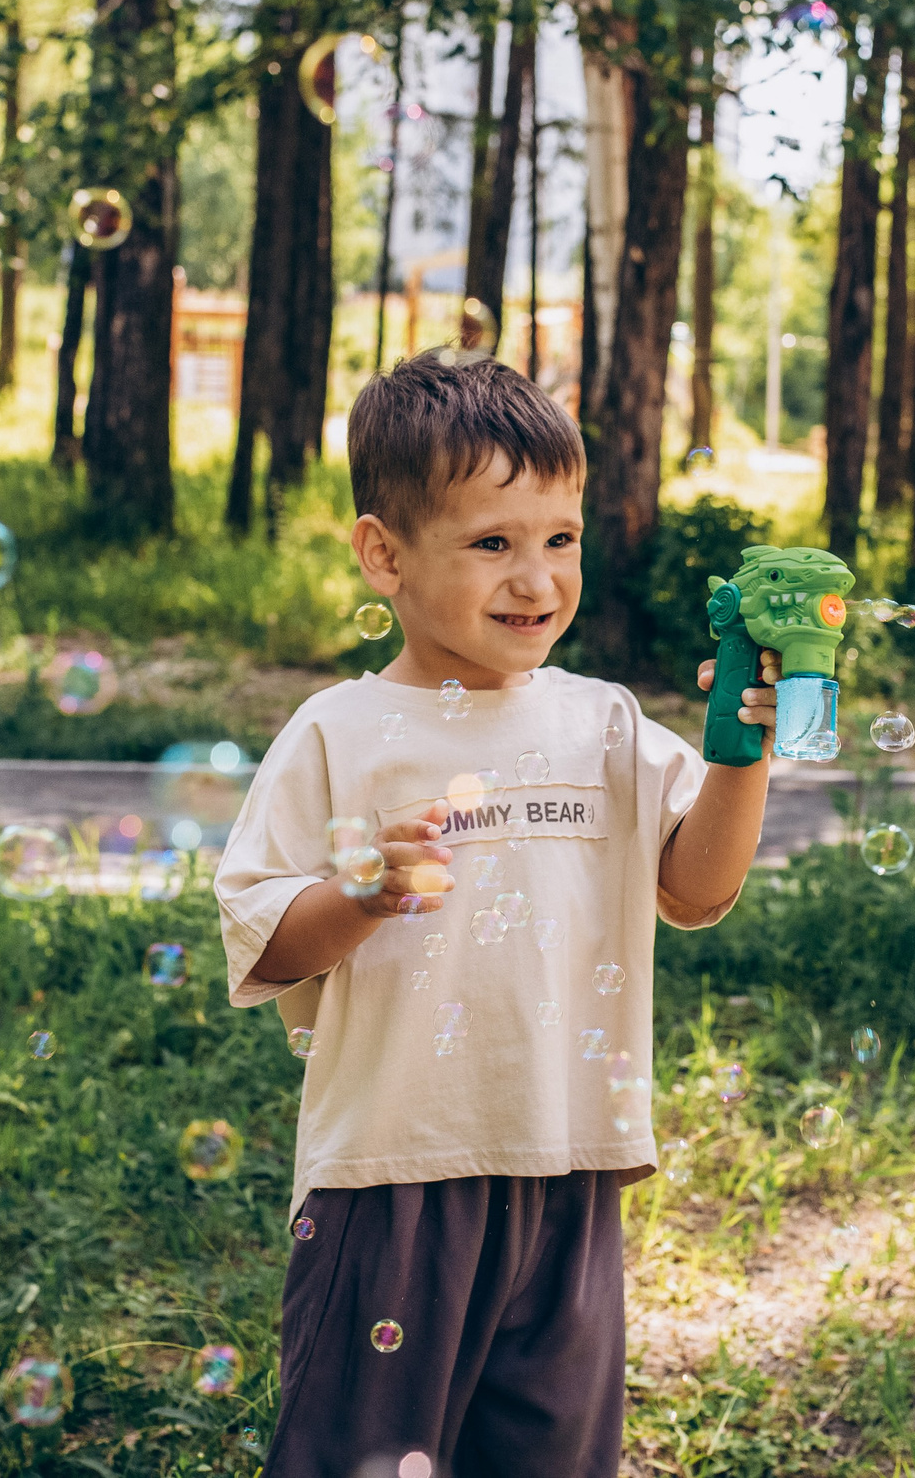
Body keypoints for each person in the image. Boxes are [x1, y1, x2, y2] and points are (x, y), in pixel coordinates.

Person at [215, 348, 776, 1478]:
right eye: (492, 544)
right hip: (391, 1177)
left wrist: (737, 758)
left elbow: (696, 887)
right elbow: (264, 937)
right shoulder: (340, 731)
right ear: (385, 554)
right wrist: (362, 895)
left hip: (569, 1167)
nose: (537, 580)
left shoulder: (606, 723)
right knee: (362, 1458)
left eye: (559, 540)